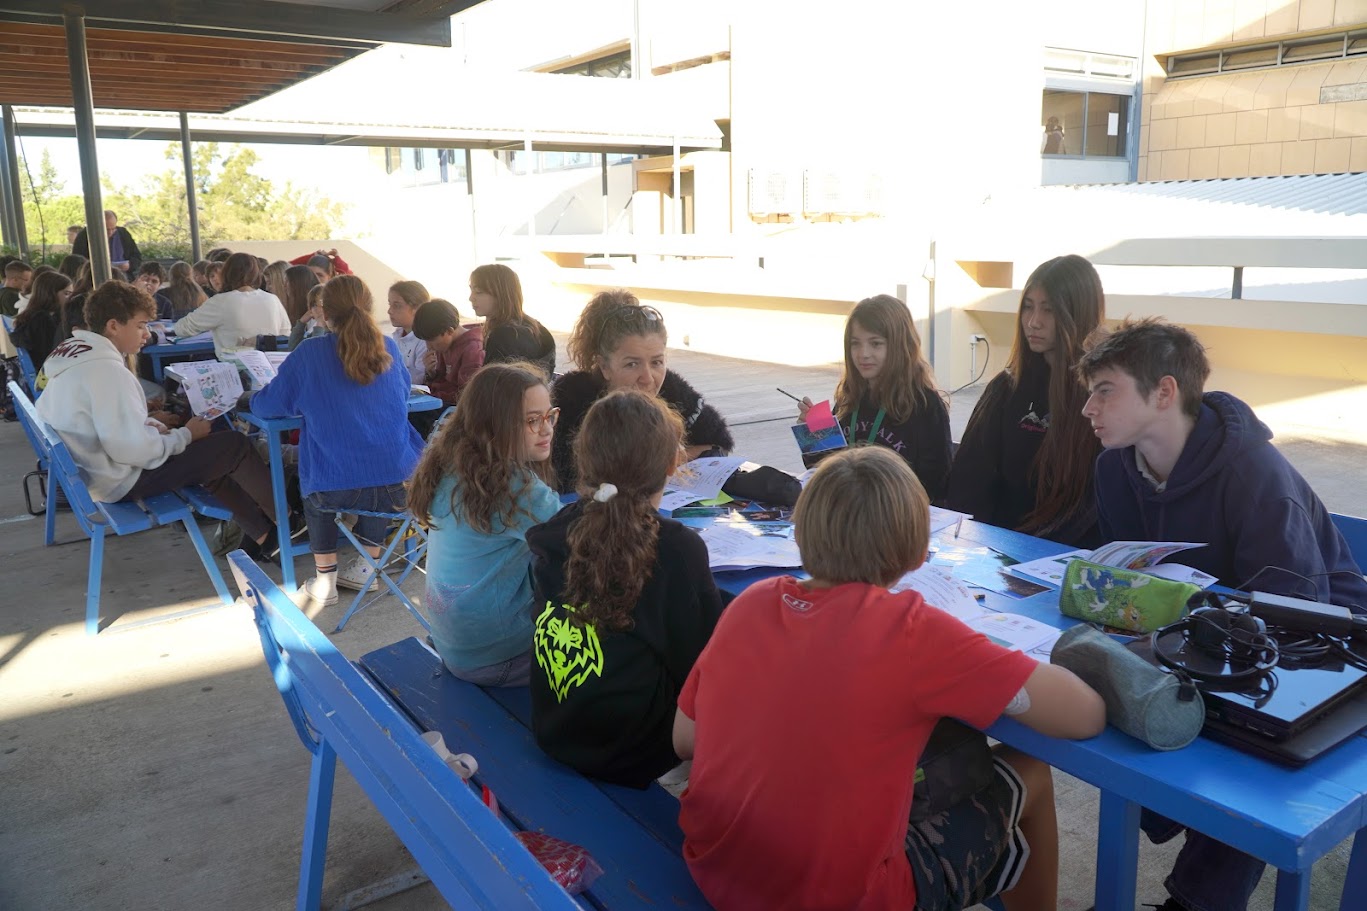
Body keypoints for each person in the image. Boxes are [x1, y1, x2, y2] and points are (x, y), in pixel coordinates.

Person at [675, 445, 1105, 911]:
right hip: (842, 897)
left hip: (717, 868)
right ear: (920, 551)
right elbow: (1083, 716)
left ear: (799, 531)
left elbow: (686, 738)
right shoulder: (913, 632)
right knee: (1032, 773)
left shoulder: (752, 603)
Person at [1077, 317, 1367, 911]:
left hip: (1325, 641)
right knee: (1098, 685)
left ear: (1163, 393)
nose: (1088, 408)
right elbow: (1129, 585)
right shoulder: (1113, 468)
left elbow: (1299, 614)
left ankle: (1196, 901)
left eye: (1105, 390)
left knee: (1255, 750)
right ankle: (1169, 815)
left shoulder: (1255, 475)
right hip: (1204, 632)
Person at [528, 389, 725, 788]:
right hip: (637, 754)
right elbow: (704, 667)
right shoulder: (677, 550)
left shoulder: (558, 529)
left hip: (557, 729)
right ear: (673, 464)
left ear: (584, 460)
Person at [36, 281, 278, 561]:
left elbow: (104, 425)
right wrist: (185, 435)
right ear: (113, 326)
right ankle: (289, 524)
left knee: (212, 457)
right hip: (120, 480)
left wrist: (147, 422)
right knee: (233, 446)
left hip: (97, 472)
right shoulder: (107, 371)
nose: (147, 334)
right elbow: (131, 450)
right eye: (140, 325)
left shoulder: (77, 356)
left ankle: (266, 535)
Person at [251, 275, 424, 607]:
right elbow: (401, 392)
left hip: (334, 486)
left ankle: (325, 581)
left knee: (316, 488)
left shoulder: (310, 352)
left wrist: (254, 399)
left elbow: (269, 406)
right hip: (400, 482)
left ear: (324, 313)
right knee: (379, 466)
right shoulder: (387, 346)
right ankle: (367, 564)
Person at [408, 362, 561, 686]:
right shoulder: (514, 486)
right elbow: (581, 543)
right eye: (532, 421)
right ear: (493, 427)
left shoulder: (451, 462)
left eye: (549, 416)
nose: (546, 429)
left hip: (455, 644)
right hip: (498, 657)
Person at [946, 254, 1104, 547]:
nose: (1033, 322)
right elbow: (969, 485)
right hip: (996, 553)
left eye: (1049, 310)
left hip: (1070, 560)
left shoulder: (1103, 395)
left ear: (1077, 313)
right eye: (1028, 308)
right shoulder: (1006, 388)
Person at [551, 290, 733, 492]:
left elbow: (719, 444)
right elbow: (563, 478)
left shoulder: (673, 392)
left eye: (657, 362)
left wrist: (677, 457)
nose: (647, 378)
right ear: (604, 367)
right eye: (631, 364)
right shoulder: (571, 400)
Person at [797, 294, 951, 499]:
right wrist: (812, 435)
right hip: (847, 512)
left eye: (875, 344)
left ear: (899, 346)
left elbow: (935, 485)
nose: (863, 354)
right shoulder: (850, 397)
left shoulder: (925, 405)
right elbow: (824, 467)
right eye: (855, 344)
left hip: (895, 517)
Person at [171, 252, 290, 358]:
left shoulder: (221, 301)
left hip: (236, 370)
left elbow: (182, 328)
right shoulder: (272, 299)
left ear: (226, 273)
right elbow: (285, 334)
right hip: (271, 369)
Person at [467, 263, 557, 375]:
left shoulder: (504, 336)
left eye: (479, 292)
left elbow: (493, 386)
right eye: (471, 290)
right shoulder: (533, 325)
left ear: (501, 294)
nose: (471, 298)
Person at [413, 298, 483, 406]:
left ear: (449, 331)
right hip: (438, 400)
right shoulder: (444, 345)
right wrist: (431, 373)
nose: (428, 346)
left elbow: (466, 394)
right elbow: (441, 380)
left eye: (431, 340)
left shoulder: (472, 349)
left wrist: (430, 397)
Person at [10, 271, 72, 376]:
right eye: (66, 294)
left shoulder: (31, 316)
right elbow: (51, 356)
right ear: (51, 294)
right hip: (47, 376)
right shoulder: (42, 320)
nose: (70, 299)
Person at [387, 280, 430, 386]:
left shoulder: (425, 339)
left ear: (417, 308)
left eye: (397, 305)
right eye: (390, 304)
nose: (389, 311)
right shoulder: (397, 335)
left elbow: (419, 379)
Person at [72, 210, 142, 274]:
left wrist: (129, 265)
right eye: (107, 229)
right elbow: (77, 261)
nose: (110, 233)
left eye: (113, 229)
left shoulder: (123, 234)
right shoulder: (84, 236)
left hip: (123, 276)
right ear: (97, 225)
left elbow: (136, 256)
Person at [288, 284, 329, 351]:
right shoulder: (313, 332)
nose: (316, 309)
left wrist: (320, 326)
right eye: (313, 305)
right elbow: (293, 349)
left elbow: (315, 353)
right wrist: (301, 323)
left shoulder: (332, 333)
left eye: (320, 305)